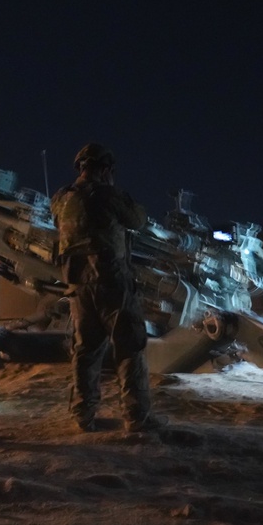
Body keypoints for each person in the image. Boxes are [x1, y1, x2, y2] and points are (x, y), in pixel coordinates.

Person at [50, 143, 163, 434]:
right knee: (129, 348)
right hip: (113, 285)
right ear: (105, 169)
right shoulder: (109, 195)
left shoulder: (61, 199)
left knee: (85, 352)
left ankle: (83, 416)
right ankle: (138, 417)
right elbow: (138, 220)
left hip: (78, 287)